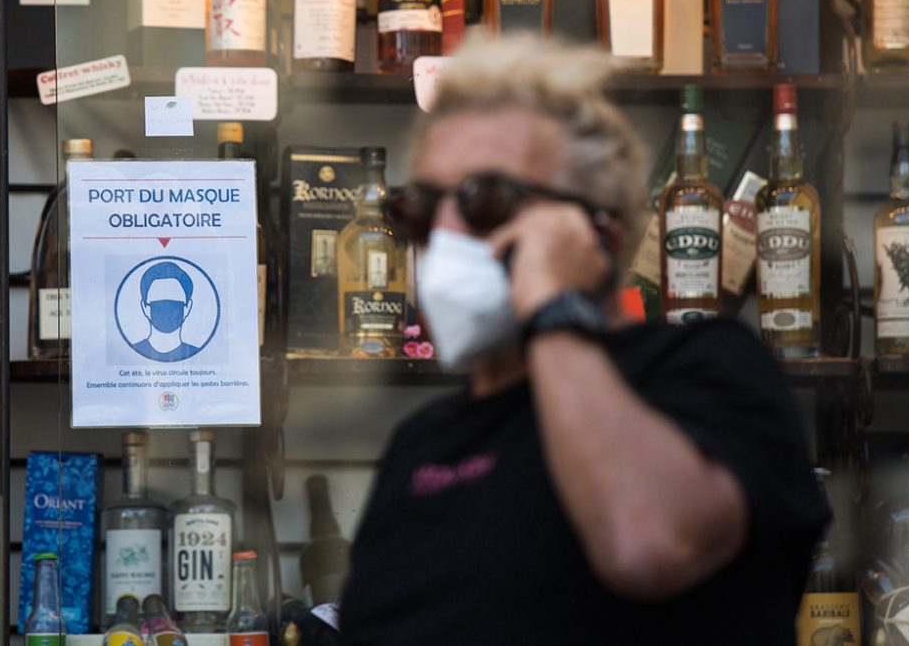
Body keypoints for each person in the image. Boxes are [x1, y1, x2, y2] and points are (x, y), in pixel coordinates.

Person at [339, 35, 829, 644]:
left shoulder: (707, 367)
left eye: (484, 200)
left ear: (599, 230)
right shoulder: (420, 443)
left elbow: (648, 544)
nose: (442, 235)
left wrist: (554, 309)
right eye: (420, 208)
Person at [131, 261, 201, 362]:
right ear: (144, 307)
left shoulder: (198, 356)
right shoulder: (132, 354)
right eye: (158, 306)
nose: (167, 311)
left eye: (174, 305)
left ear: (187, 308)